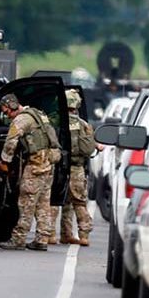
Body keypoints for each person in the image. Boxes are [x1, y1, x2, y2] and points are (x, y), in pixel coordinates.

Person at [0, 94, 61, 251]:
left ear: (12, 106)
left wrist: (5, 162)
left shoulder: (21, 119)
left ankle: (18, 239)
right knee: (43, 202)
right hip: (49, 161)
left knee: (26, 201)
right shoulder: (38, 114)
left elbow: (10, 142)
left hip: (36, 163)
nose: (7, 116)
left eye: (7, 112)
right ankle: (42, 239)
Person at [49, 89, 95, 246]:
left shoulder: (55, 121)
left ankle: (50, 235)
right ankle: (82, 235)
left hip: (58, 167)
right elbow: (89, 149)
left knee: (54, 199)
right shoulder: (84, 125)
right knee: (78, 202)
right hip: (77, 169)